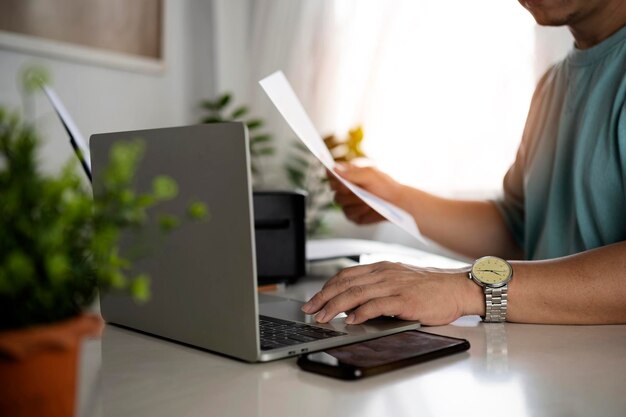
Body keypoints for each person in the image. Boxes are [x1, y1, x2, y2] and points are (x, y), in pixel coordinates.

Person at [301, 0, 626, 326]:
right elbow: (519, 230)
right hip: (549, 361)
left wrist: (468, 288)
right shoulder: (553, 83)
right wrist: (399, 200)